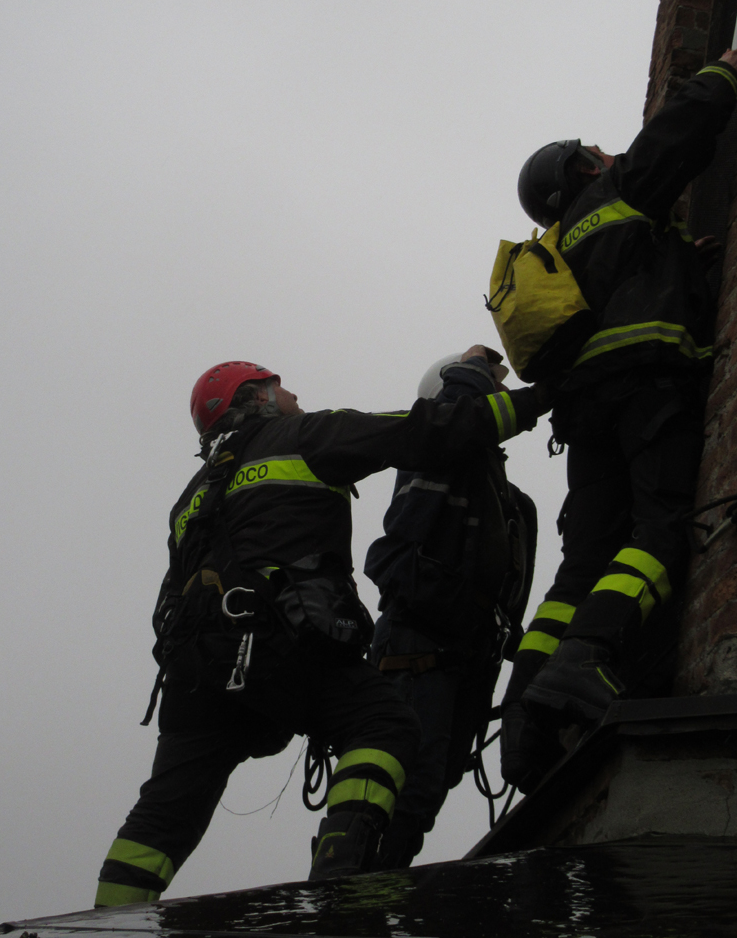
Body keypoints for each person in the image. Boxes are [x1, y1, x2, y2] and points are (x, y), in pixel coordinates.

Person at [94, 359, 545, 905]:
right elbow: (422, 429)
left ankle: (111, 918)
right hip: (278, 643)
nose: (293, 394)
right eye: (279, 388)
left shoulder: (190, 498)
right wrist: (538, 398)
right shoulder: (305, 435)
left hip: (195, 673)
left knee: (165, 811)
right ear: (256, 398)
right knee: (384, 725)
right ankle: (341, 875)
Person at [500, 47, 737, 786]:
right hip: (647, 385)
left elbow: (627, 280)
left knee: (586, 560)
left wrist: (687, 261)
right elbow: (674, 140)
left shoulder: (561, 245)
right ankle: (586, 660)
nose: (607, 152)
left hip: (588, 412)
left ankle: (526, 708)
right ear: (580, 169)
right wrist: (724, 74)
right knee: (660, 532)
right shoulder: (612, 193)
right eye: (593, 153)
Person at [364, 345, 537, 867]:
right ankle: (352, 900)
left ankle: (381, 889)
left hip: (464, 657)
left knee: (430, 790)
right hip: (420, 649)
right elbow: (393, 556)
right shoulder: (436, 453)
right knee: (408, 785)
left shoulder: (510, 500)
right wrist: (469, 374)